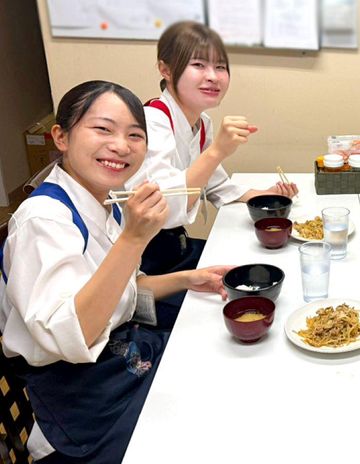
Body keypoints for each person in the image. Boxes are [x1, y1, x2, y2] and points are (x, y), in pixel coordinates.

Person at [0, 80, 234, 463]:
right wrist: (134, 239)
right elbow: (73, 334)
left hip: (121, 352)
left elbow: (124, 289)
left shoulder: (107, 202)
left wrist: (188, 279)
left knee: (217, 361)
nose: (121, 146)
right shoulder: (43, 221)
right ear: (61, 137)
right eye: (103, 129)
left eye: (134, 135)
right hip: (80, 394)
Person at [126, 21, 298, 276]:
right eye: (198, 65)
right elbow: (162, 212)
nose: (213, 77)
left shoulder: (201, 122)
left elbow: (216, 186)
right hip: (142, 264)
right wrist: (217, 151)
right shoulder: (151, 122)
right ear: (166, 69)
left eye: (220, 67)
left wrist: (264, 195)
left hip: (176, 247)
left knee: (265, 262)